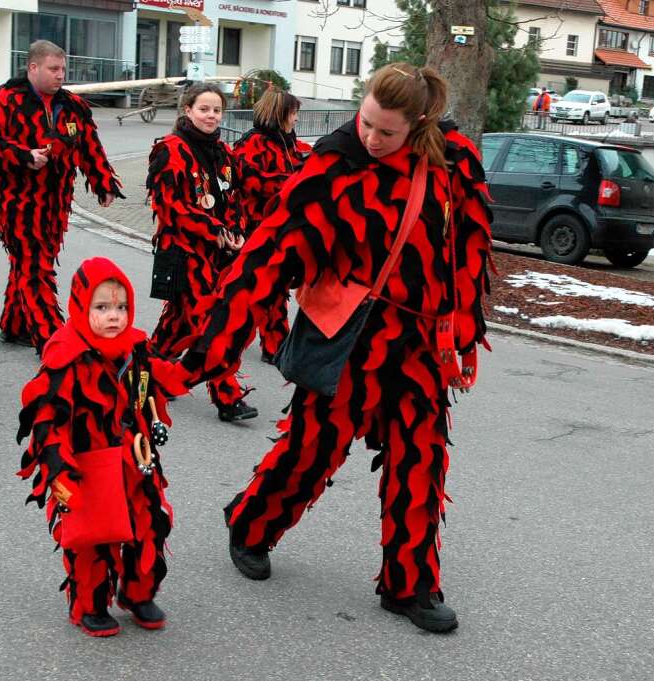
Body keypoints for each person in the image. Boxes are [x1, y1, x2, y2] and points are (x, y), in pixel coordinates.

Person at [178, 63, 492, 632]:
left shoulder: (454, 161)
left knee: (420, 460)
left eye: (387, 131)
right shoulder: (333, 161)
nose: (371, 137)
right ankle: (250, 524)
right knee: (311, 451)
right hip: (347, 338)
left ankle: (409, 584)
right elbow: (269, 253)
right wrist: (210, 350)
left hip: (419, 344)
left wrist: (464, 328)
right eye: (366, 121)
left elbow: (466, 250)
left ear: (419, 122)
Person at [17, 257, 188, 637]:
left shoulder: (135, 347)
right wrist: (59, 471)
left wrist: (205, 354)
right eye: (102, 307)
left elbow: (170, 378)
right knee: (94, 537)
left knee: (149, 523)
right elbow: (48, 422)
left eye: (121, 307)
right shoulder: (66, 357)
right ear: (81, 307)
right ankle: (90, 603)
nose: (114, 316)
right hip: (87, 465)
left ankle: (139, 591)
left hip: (136, 457)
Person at [0, 40, 122, 354]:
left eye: (63, 69)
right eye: (54, 69)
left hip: (56, 202)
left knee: (30, 263)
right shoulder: (4, 100)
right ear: (34, 68)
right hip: (16, 200)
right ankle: (52, 338)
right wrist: (22, 155)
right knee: (34, 265)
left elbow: (89, 147)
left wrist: (103, 182)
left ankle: (14, 325)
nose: (60, 75)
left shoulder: (72, 105)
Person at [146, 83, 257, 422]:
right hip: (183, 254)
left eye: (216, 110)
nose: (211, 116)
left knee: (177, 325)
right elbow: (170, 206)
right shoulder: (169, 150)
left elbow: (233, 199)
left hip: (219, 256)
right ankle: (227, 397)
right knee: (209, 322)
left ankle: (145, 371)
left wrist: (236, 232)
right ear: (187, 110)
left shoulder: (224, 153)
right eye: (204, 109)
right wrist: (215, 232)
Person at [232, 88, 312, 363]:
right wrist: (293, 182)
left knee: (276, 286)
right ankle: (273, 343)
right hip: (256, 228)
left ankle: (275, 342)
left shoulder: (287, 142)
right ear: (280, 114)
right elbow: (251, 182)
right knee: (267, 287)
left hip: (282, 229)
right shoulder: (253, 143)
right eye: (294, 113)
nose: (297, 119)